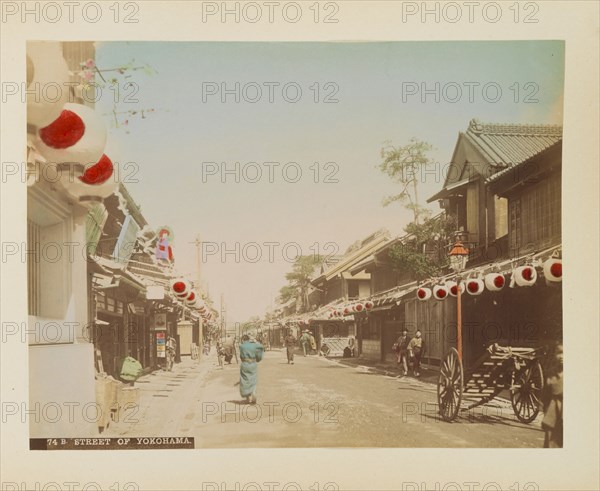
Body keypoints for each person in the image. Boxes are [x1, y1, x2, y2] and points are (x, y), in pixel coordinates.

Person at [541, 343, 563, 448]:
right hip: (552, 413)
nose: (562, 356)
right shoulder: (551, 374)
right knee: (550, 442)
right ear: (555, 354)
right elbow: (545, 395)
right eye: (559, 353)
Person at [239, 334, 264, 404]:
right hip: (253, 364)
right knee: (253, 379)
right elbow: (261, 347)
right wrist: (255, 342)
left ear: (243, 340)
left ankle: (248, 398)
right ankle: (253, 392)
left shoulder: (241, 346)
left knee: (245, 380)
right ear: (248, 339)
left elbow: (241, 356)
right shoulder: (254, 345)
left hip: (245, 364)